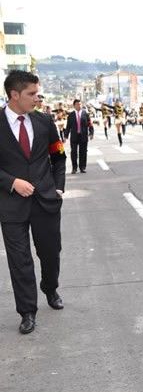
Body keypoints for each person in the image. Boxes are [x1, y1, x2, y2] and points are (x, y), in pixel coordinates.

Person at [0, 70, 66, 334]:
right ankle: (27, 311)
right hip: (11, 204)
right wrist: (11, 182)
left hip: (46, 201)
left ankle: (50, 288)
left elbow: (58, 156)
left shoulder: (44, 121)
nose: (38, 98)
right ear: (14, 95)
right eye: (32, 93)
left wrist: (58, 187)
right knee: (20, 260)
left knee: (50, 253)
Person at [64, 99, 93, 173]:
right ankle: (74, 168)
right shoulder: (71, 115)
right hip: (74, 136)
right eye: (77, 104)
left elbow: (90, 124)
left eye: (80, 104)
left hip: (83, 136)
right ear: (74, 106)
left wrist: (91, 133)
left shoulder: (85, 114)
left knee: (83, 152)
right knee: (73, 152)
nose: (79, 106)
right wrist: (66, 136)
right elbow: (68, 126)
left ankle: (82, 167)